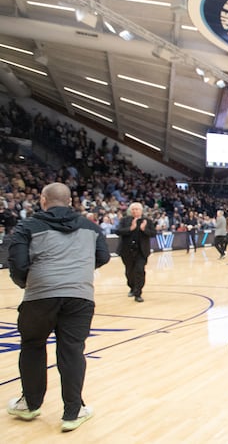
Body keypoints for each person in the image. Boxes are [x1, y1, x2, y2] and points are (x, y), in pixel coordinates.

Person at [7, 182, 110, 432]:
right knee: (72, 351)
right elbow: (104, 257)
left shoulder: (26, 226)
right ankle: (73, 412)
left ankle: (30, 405)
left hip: (39, 296)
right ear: (70, 201)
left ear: (43, 200)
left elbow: (17, 264)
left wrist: (29, 284)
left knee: (32, 346)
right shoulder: (91, 227)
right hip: (80, 297)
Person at [116, 202, 156, 302]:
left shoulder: (147, 221)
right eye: (133, 209)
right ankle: (132, 287)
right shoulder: (124, 220)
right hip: (127, 251)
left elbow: (153, 233)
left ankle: (138, 293)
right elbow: (118, 231)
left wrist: (144, 229)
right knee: (129, 272)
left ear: (141, 211)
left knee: (139, 271)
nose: (135, 211)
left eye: (137, 209)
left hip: (141, 251)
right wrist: (130, 229)